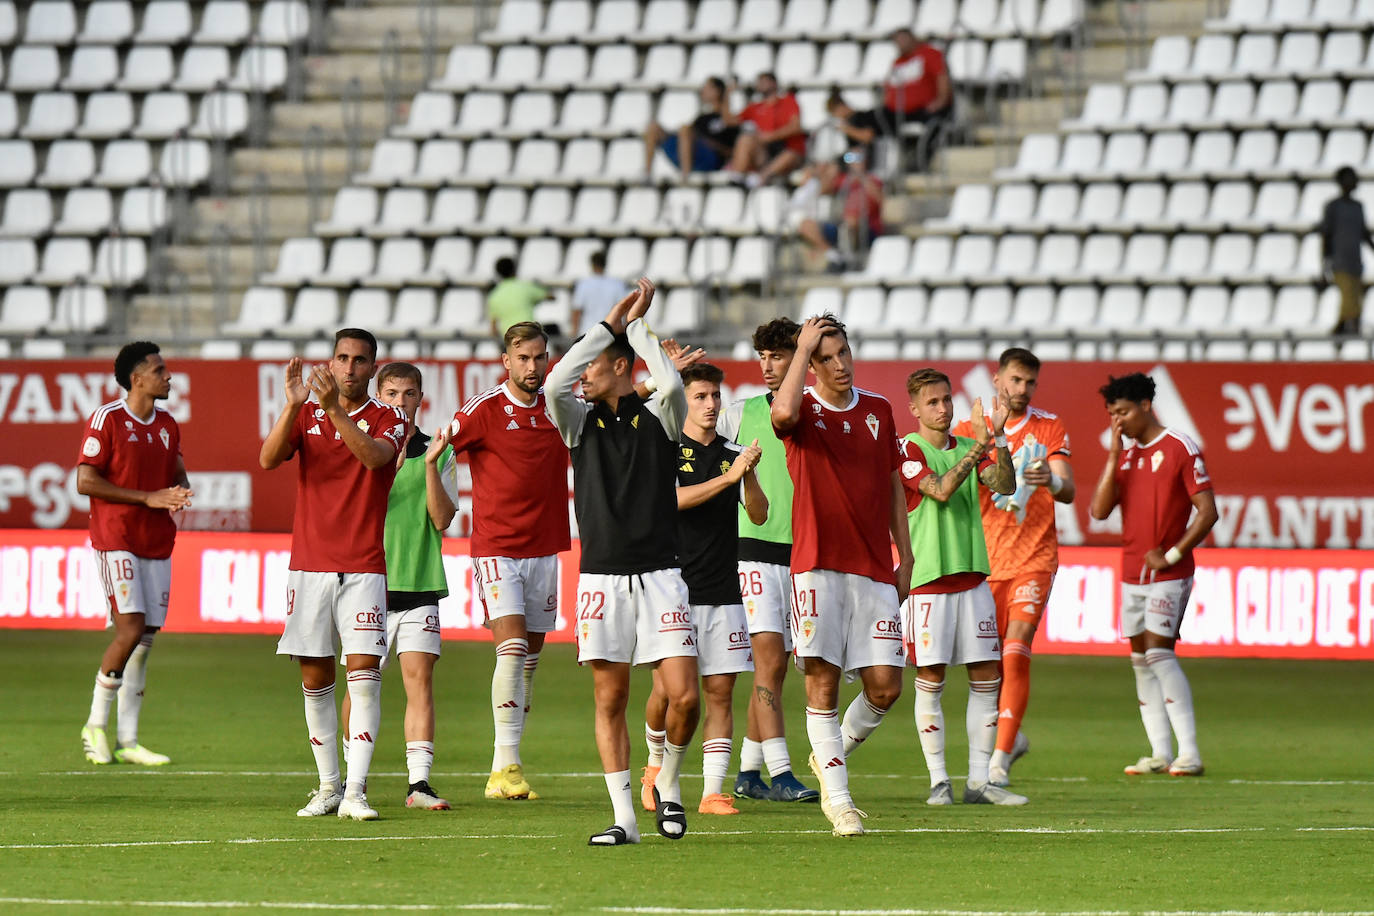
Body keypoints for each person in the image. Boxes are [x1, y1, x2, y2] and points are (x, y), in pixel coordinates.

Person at [545, 278, 700, 846]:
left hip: (662, 574)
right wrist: (609, 323)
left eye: (595, 365)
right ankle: (625, 821)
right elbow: (558, 379)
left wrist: (636, 328)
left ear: (618, 367)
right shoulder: (576, 422)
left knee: (684, 694)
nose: (582, 374)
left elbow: (669, 380)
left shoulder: (661, 416)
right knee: (610, 699)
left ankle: (671, 785)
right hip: (601, 580)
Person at [770, 314, 914, 837]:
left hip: (874, 566)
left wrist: (908, 554)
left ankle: (827, 757)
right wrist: (802, 346)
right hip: (817, 566)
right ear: (810, 364)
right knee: (822, 681)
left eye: (843, 353)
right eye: (825, 358)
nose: (839, 365)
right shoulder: (799, 407)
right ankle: (839, 800)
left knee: (886, 687)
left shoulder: (879, 409)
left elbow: (894, 481)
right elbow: (782, 413)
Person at [260, 328, 409, 821]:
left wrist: (336, 412)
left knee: (364, 679)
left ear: (373, 367)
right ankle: (328, 786)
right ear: (333, 360)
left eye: (359, 360)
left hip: (363, 565)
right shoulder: (306, 412)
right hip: (309, 566)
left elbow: (374, 458)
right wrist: (291, 405)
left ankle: (356, 791)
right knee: (315, 678)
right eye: (342, 358)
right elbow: (267, 459)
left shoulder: (391, 418)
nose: (348, 368)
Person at [446, 321, 571, 801]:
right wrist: (439, 503)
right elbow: (437, 451)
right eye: (523, 358)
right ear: (507, 361)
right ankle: (507, 765)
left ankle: (505, 769)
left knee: (531, 661)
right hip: (496, 547)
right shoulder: (484, 410)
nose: (533, 366)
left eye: (540, 357)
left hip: (545, 549)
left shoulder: (559, 409)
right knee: (513, 649)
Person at [643, 362, 768, 817]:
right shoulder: (668, 450)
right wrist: (728, 479)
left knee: (720, 691)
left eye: (715, 395)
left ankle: (713, 791)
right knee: (669, 693)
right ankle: (655, 769)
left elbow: (758, 515)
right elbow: (671, 501)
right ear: (684, 402)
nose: (711, 404)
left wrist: (748, 475)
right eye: (700, 396)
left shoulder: (733, 453)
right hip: (673, 588)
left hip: (724, 588)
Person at [899, 368, 1024, 806]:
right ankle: (938, 781)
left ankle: (978, 782)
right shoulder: (907, 450)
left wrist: (1000, 438)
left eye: (947, 399)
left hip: (972, 578)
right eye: (932, 402)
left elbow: (1005, 485)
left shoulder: (974, 446)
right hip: (929, 582)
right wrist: (981, 449)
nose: (943, 408)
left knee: (986, 677)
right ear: (914, 408)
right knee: (930, 679)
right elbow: (939, 490)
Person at [951, 348, 1075, 788]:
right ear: (999, 379)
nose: (1023, 390)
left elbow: (1068, 488)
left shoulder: (1048, 425)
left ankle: (998, 762)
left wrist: (1053, 481)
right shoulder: (969, 429)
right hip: (985, 563)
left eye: (1030, 383)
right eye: (1016, 380)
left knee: (1016, 647)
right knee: (989, 668)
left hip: (1034, 559)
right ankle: (1010, 737)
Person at [339, 362, 457, 811]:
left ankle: (419, 785)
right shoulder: (364, 448)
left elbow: (442, 518)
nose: (400, 402)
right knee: (359, 685)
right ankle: (353, 782)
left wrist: (427, 465)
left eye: (409, 394)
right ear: (379, 394)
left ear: (420, 399)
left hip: (420, 583)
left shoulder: (440, 449)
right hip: (366, 582)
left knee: (419, 682)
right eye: (391, 393)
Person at [1089, 372, 1218, 778]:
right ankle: (1161, 753)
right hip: (1130, 573)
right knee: (1140, 662)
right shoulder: (1126, 456)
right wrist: (1112, 455)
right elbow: (1098, 511)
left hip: (1169, 574)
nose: (1118, 421)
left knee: (1160, 655)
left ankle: (1190, 754)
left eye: (1123, 412)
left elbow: (1208, 511)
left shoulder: (1179, 447)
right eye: (1112, 414)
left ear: (1146, 405)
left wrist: (1175, 551)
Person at [717, 318, 818, 803]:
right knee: (770, 661)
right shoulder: (738, 414)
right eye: (764, 357)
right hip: (753, 552)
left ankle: (749, 772)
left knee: (782, 668)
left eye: (778, 356)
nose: (769, 366)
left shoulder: (815, 415)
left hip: (807, 553)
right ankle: (781, 772)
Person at [78, 341, 192, 768]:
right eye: (160, 370)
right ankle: (94, 726)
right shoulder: (107, 419)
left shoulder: (167, 424)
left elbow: (175, 469)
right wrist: (148, 498)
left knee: (143, 641)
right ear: (137, 378)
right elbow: (85, 481)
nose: (168, 377)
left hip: (156, 542)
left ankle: (128, 740)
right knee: (129, 629)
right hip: (116, 538)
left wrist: (178, 491)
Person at [797, 145, 885, 273]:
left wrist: (862, 178)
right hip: (843, 228)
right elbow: (821, 191)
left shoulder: (873, 179)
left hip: (867, 229)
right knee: (806, 225)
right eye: (849, 158)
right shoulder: (844, 180)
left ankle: (850, 259)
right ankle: (834, 256)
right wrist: (824, 172)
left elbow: (881, 200)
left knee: (852, 221)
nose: (854, 161)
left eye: (858, 158)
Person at [644, 77, 739, 179]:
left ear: (718, 91)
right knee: (653, 127)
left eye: (707, 88)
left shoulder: (729, 121)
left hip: (710, 160)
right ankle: (647, 174)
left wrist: (707, 142)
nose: (702, 91)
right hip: (691, 153)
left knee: (685, 129)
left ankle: (686, 176)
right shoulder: (702, 117)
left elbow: (732, 150)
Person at [725, 72, 806, 189]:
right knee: (745, 139)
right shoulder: (755, 107)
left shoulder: (788, 101)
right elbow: (729, 121)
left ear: (774, 83)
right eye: (759, 81)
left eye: (764, 81)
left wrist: (771, 136)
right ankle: (737, 176)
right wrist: (728, 94)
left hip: (787, 151)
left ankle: (760, 178)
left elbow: (796, 127)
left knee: (791, 153)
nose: (760, 84)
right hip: (766, 152)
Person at [1319, 166, 1373, 336]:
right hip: (1339, 261)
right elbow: (1326, 235)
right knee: (1348, 295)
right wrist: (1325, 263)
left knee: (1356, 296)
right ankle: (1343, 326)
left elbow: (1364, 233)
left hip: (1355, 261)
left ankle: (1346, 325)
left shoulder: (1358, 207)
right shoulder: (1332, 207)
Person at [884, 28, 952, 131]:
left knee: (933, 124)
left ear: (912, 39)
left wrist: (941, 100)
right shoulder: (898, 61)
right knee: (865, 118)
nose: (900, 43)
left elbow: (942, 77)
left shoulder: (930, 54)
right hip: (897, 112)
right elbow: (889, 86)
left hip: (922, 110)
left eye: (903, 39)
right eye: (897, 41)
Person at [571, 251, 630, 338]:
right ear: (605, 263)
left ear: (592, 264)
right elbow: (625, 308)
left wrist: (574, 331)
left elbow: (577, 310)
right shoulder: (617, 284)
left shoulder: (583, 284)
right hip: (610, 331)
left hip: (587, 331)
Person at [487, 257, 550, 338]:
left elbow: (493, 326)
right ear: (514, 269)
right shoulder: (525, 286)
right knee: (552, 329)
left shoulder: (494, 294)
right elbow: (550, 297)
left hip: (509, 337)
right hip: (529, 332)